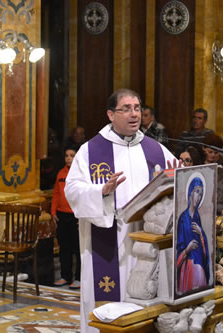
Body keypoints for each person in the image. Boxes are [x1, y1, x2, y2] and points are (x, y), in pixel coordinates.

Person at [64, 88, 177, 333]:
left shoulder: (155, 149)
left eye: (137, 108)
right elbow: (72, 190)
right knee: (108, 301)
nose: (134, 114)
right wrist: (101, 192)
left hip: (146, 241)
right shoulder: (91, 150)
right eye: (126, 109)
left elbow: (176, 179)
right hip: (107, 238)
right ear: (110, 115)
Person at [51, 145, 81, 290]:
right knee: (64, 248)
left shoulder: (81, 173)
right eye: (67, 155)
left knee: (78, 248)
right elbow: (56, 193)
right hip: (62, 215)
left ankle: (79, 278)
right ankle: (65, 276)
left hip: (76, 216)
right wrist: (53, 211)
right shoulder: (60, 173)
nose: (69, 158)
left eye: (72, 155)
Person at [176, 175, 210, 295]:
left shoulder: (197, 217)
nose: (198, 197)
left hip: (199, 264)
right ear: (190, 192)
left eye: (201, 194)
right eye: (196, 192)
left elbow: (203, 244)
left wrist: (201, 235)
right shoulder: (183, 218)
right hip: (187, 266)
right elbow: (178, 247)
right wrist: (187, 249)